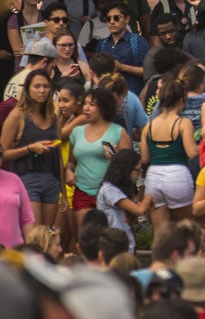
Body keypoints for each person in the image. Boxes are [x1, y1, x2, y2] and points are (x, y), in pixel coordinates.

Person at [0, 69, 60, 227]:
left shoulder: (52, 116)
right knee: (34, 236)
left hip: (51, 178)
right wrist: (29, 149)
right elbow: (3, 153)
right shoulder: (17, 115)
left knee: (47, 234)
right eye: (37, 86)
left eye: (46, 86)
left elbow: (59, 153)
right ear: (27, 89)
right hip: (26, 178)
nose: (42, 91)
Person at [140, 73, 199, 233]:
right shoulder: (183, 123)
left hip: (154, 178)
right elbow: (192, 153)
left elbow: (144, 159)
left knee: (160, 232)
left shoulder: (149, 126)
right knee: (186, 228)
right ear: (181, 101)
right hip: (177, 176)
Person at [66, 86, 131, 226]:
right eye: (85, 104)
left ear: (103, 107)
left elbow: (130, 166)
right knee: (85, 236)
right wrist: (68, 171)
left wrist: (116, 159)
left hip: (110, 193)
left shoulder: (118, 132)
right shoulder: (76, 132)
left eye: (92, 105)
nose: (86, 108)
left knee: (111, 237)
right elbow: (71, 162)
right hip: (82, 190)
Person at [96, 149, 153, 252]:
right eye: (137, 170)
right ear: (127, 169)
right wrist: (150, 195)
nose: (139, 174)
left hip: (124, 244)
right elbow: (139, 210)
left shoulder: (118, 190)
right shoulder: (109, 189)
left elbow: (132, 215)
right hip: (114, 246)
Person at [95, 2, 151, 97]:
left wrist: (123, 67)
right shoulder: (102, 44)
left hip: (132, 96)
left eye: (116, 18)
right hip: (107, 98)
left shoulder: (138, 42)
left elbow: (148, 71)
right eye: (108, 19)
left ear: (127, 19)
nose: (112, 22)